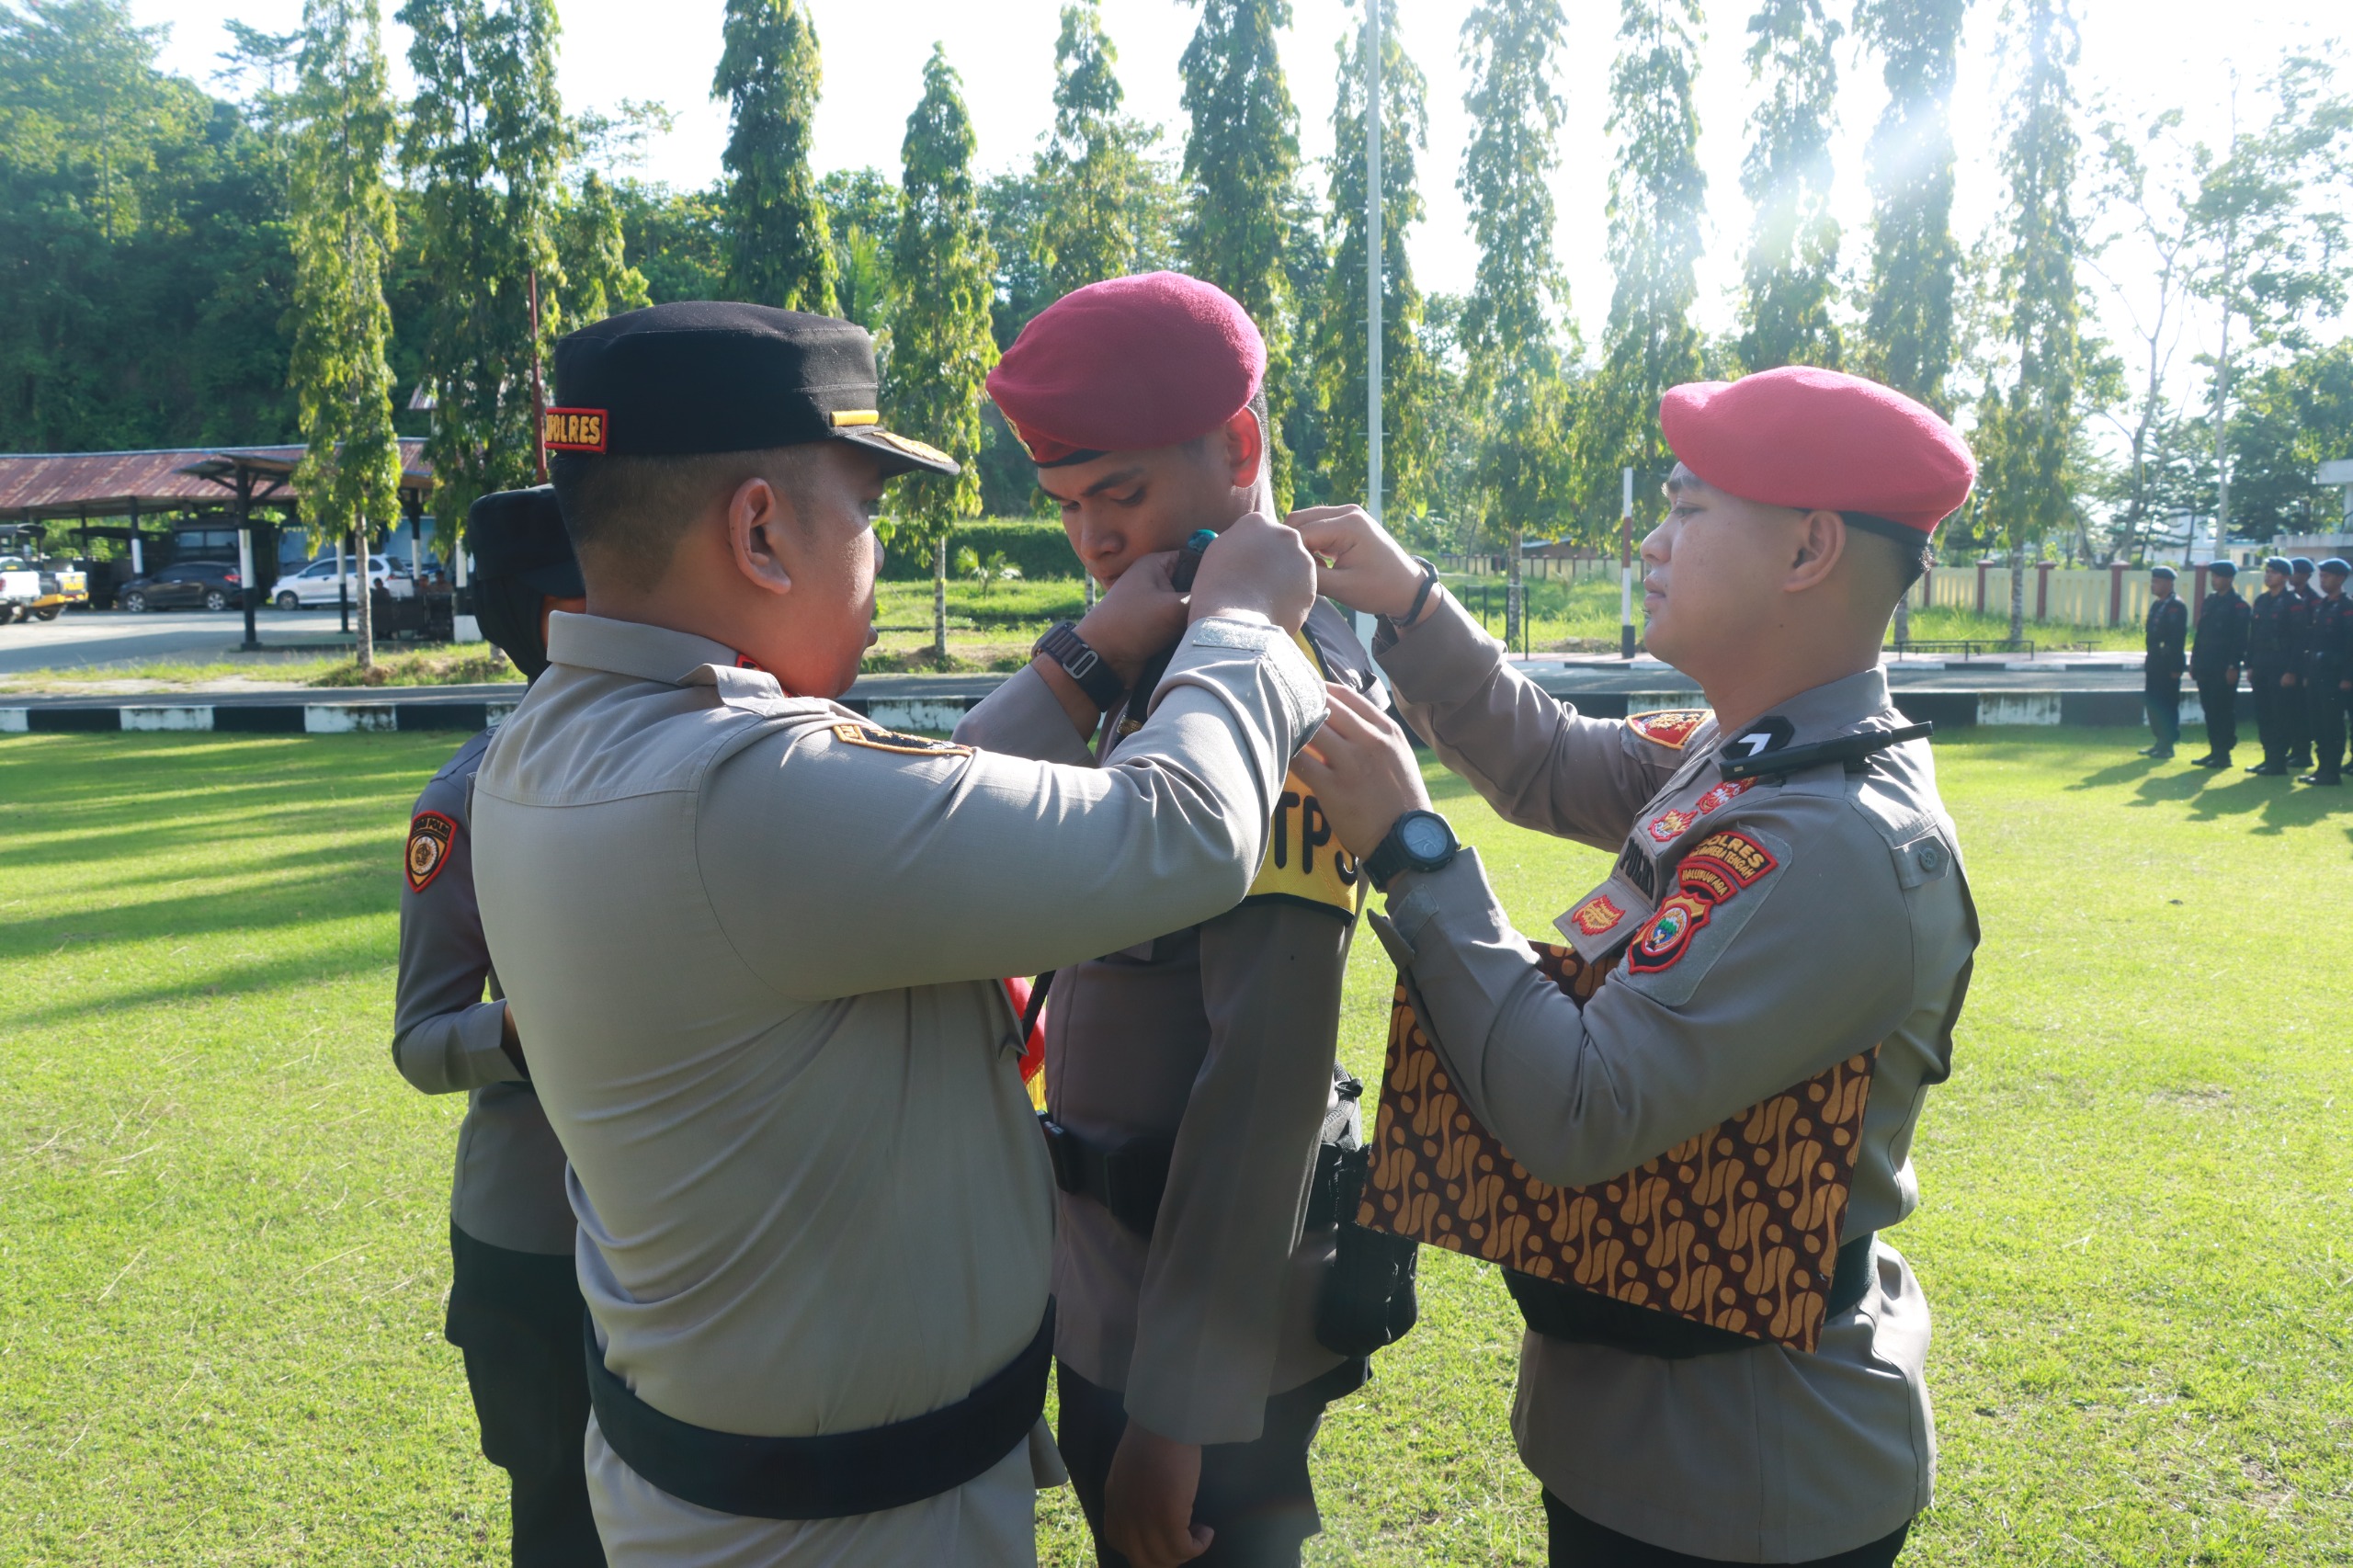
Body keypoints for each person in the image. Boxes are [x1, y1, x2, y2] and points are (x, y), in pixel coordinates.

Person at [467, 301, 1330, 1566]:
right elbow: (1185, 830)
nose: (875, 552)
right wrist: (1244, 626)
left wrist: (1082, 663)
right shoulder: (743, 795)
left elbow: (892, 831)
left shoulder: (551, 745)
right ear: (760, 527)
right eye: (865, 513)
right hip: (849, 1526)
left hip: (720, 1488)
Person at [1285, 364, 1980, 1566]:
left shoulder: (1835, 840)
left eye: (1688, 509)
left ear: (1810, 547)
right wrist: (1409, 600)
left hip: (1743, 1480)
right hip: (1652, 1435)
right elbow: (1549, 757)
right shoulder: (1746, 754)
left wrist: (1413, 846)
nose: (1649, 541)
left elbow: (1581, 1105)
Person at [962, 271, 1388, 1568]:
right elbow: (951, 818)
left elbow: (1262, 1073)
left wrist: (1178, 1410)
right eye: (1067, 505)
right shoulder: (1148, 655)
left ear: (1239, 449)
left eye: (1122, 493)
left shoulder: (1276, 693)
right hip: (1099, 1290)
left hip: (1202, 1346)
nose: (1091, 535)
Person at [392, 485, 597, 1568]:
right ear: (545, 618)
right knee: (564, 1524)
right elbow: (422, 1037)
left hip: (701, 1234)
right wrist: (534, 1029)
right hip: (539, 1240)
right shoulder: (466, 800)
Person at [2188, 560, 2250, 768]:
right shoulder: (2210, 601)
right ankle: (2214, 750)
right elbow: (2201, 634)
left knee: (2222, 709)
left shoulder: (2239, 605)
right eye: (2212, 576)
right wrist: (2194, 660)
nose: (2213, 580)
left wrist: (2233, 665)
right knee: (2210, 709)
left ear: (2229, 578)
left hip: (2224, 666)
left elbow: (2240, 639)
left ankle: (2224, 754)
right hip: (2206, 664)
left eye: (2217, 576)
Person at [2297, 558, 2351, 787]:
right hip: (2317, 672)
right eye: (2321, 575)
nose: (2322, 579)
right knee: (2318, 723)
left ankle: (2331, 771)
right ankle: (2321, 768)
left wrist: (2348, 677)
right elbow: (2314, 641)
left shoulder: (2348, 607)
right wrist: (2308, 673)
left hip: (2335, 675)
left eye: (2327, 575)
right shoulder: (2322, 605)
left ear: (2340, 578)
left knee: (2332, 723)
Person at [2245, 557, 2299, 776]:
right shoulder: (2262, 600)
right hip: (2262, 663)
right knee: (2263, 712)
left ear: (2285, 577)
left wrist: (2291, 670)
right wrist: (2249, 664)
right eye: (2267, 572)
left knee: (2279, 714)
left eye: (2274, 572)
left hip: (2280, 663)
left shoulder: (2293, 602)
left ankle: (2278, 760)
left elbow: (2299, 640)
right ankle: (2268, 757)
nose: (2268, 576)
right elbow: (2253, 635)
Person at [2141, 565, 2188, 760]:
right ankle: (2159, 741)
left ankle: (2167, 744)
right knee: (2153, 702)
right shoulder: (2157, 605)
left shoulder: (2176, 606)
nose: (2153, 585)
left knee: (2166, 703)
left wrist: (2177, 666)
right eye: (2152, 581)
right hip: (2154, 660)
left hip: (2168, 661)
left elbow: (2178, 638)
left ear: (2169, 583)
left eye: (2157, 581)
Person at [2285, 558, 2320, 770]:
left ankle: (2302, 752)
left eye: (2296, 572)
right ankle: (2294, 750)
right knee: (2289, 710)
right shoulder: (2287, 599)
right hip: (2288, 658)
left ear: (2306, 575)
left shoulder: (2313, 601)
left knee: (2301, 710)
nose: (2292, 575)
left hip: (2303, 662)